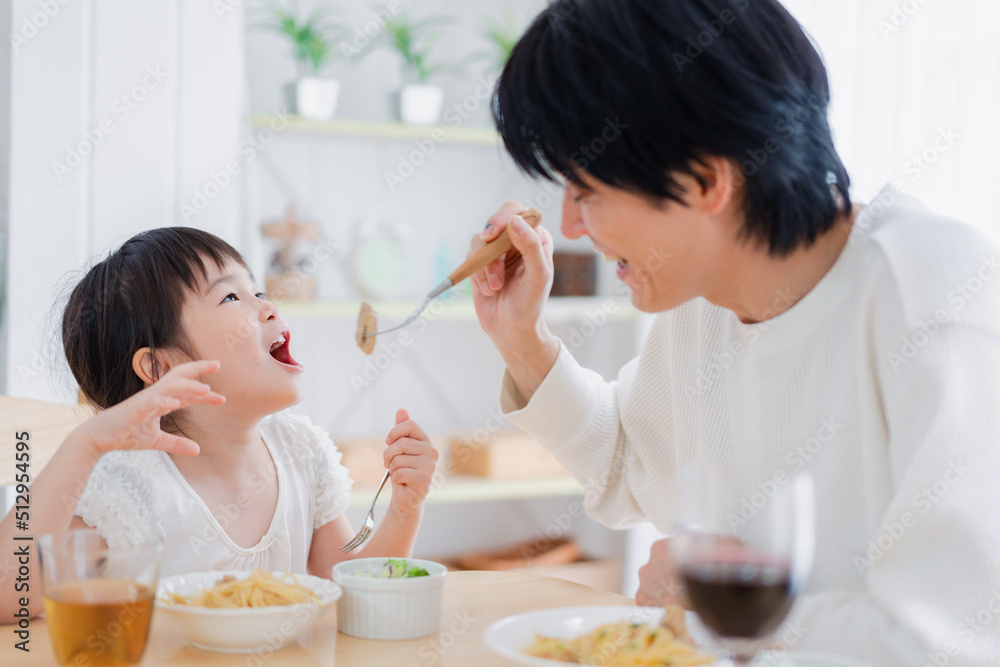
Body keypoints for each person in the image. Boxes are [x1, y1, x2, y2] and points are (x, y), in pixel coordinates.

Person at [469, 0, 1000, 664]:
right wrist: (522, 339)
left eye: (587, 189)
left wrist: (720, 610)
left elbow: (950, 640)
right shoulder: (703, 294)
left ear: (706, 180)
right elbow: (628, 467)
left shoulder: (934, 292)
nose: (570, 225)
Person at [0, 228, 438, 618]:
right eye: (231, 297)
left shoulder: (301, 451)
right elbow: (10, 596)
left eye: (258, 292)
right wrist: (85, 444)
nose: (268, 308)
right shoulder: (128, 490)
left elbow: (352, 591)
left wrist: (404, 509)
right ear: (159, 367)